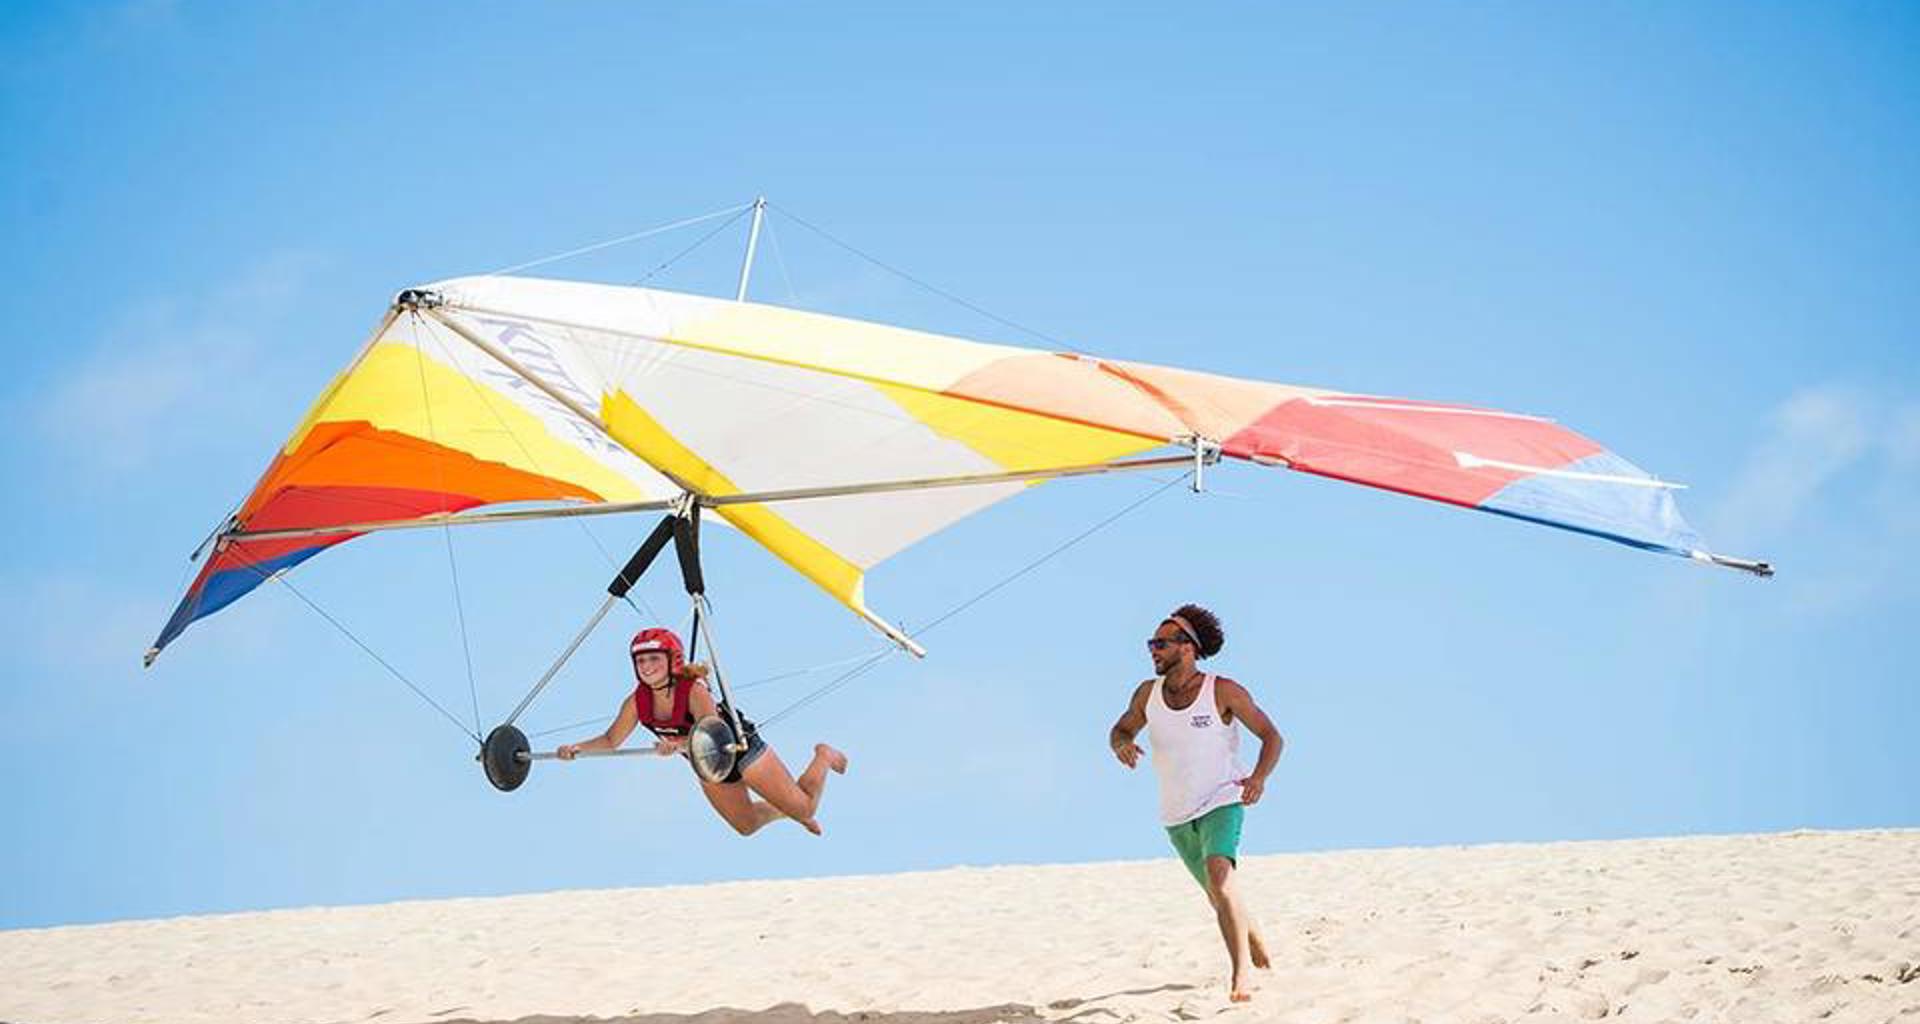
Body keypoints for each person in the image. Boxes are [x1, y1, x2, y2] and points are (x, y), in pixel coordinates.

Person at [1108, 604, 1284, 1003]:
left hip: (1222, 798)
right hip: (1175, 814)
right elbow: (1122, 727)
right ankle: (1251, 936)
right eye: (1151, 643)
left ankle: (1242, 977)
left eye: (1160, 643)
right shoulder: (1146, 694)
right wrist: (1121, 743)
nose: (1152, 650)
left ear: (1187, 648)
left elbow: (1272, 736)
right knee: (1218, 893)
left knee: (1220, 878)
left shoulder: (1223, 690)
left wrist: (1257, 779)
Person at [558, 627, 847, 836]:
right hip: (709, 766)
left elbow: (714, 730)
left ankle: (823, 757)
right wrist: (577, 748)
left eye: (654, 659)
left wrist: (679, 743)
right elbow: (611, 740)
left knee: (807, 808)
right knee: (745, 826)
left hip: (740, 750)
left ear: (673, 660)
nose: (646, 667)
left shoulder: (693, 689)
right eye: (641, 661)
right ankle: (786, 809)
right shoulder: (637, 701)